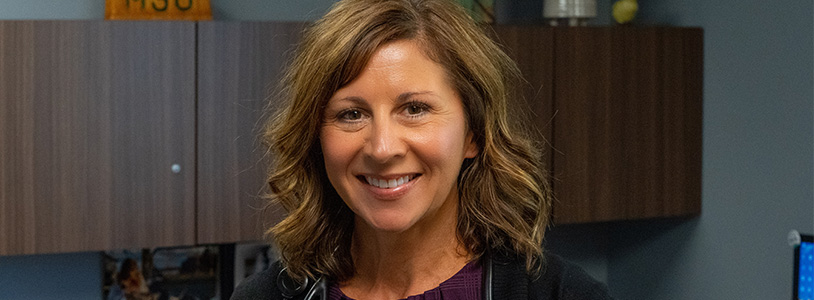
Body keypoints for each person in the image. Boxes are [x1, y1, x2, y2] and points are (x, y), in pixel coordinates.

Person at [232, 0, 615, 299]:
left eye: (415, 109)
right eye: (351, 114)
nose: (382, 148)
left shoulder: (561, 294)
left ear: (474, 134)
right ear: (316, 138)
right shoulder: (263, 297)